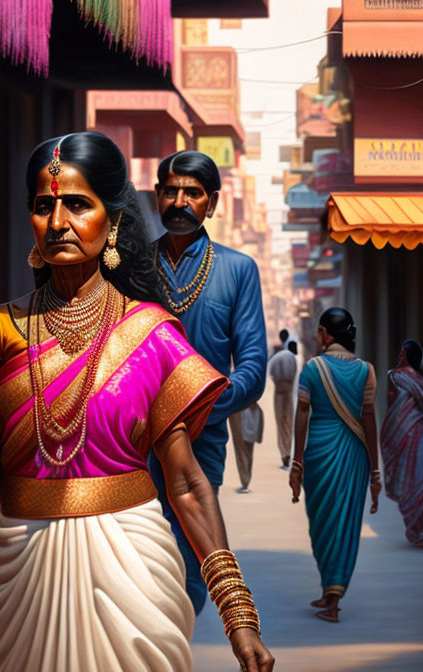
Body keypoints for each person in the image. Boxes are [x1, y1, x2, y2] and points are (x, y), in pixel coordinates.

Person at [0, 132, 273, 672]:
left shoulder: (152, 333)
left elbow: (185, 482)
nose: (59, 221)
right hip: (22, 566)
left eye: (78, 204)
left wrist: (239, 615)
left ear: (112, 222)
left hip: (131, 566)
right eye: (44, 206)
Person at [147, 150, 267, 613]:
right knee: (139, 550)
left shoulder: (238, 270)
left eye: (192, 193)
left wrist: (196, 411)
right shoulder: (131, 266)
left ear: (211, 203)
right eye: (171, 191)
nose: (180, 201)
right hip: (133, 440)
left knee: (192, 554)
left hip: (203, 437)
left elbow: (253, 368)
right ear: (158, 197)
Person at [289, 308, 381, 623]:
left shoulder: (313, 369)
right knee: (345, 523)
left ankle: (332, 599)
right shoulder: (367, 371)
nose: (317, 336)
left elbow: (303, 415)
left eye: (319, 331)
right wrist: (375, 470)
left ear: (327, 334)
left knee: (322, 523)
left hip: (319, 452)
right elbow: (369, 419)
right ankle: (332, 591)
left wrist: (297, 463)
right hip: (355, 455)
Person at [381, 339, 423, 546]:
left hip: (408, 434)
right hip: (414, 432)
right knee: (416, 479)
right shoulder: (413, 378)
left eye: (402, 352)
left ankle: (416, 528)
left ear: (406, 354)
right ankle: (417, 529)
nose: (400, 355)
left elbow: (391, 402)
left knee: (412, 480)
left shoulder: (397, 376)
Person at [268, 340, 298, 469]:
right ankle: (287, 452)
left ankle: (284, 453)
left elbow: (271, 372)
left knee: (280, 423)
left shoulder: (278, 356)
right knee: (288, 422)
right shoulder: (291, 357)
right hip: (288, 389)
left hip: (278, 388)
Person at [228, 402, 264, 493]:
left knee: (242, 446)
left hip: (241, 407)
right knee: (247, 448)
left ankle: (245, 481)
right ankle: (245, 480)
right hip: (249, 407)